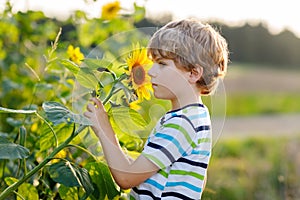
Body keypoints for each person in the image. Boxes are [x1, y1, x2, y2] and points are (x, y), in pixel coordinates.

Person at [84, 18, 229, 199]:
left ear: (193, 73)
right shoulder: (197, 116)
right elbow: (198, 178)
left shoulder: (181, 124)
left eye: (162, 64)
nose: (151, 71)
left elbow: (126, 177)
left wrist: (103, 129)